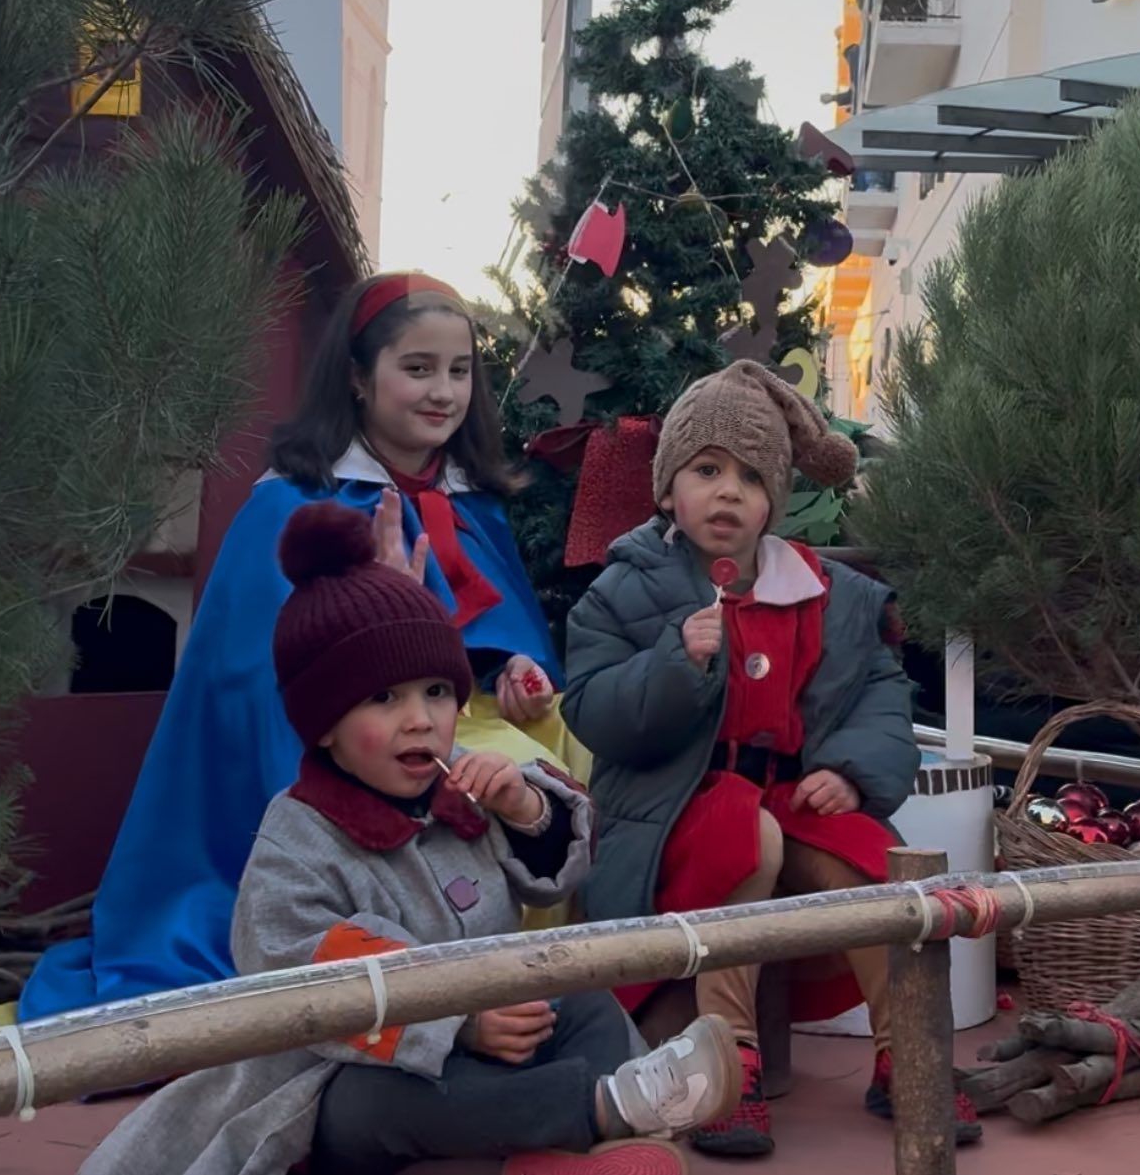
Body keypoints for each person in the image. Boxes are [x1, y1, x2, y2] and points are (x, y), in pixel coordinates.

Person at [79, 501, 741, 1175]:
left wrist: (523, 806)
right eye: (385, 699)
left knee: (582, 1004)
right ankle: (601, 1114)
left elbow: (560, 868)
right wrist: (456, 1022)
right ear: (324, 724)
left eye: (436, 691)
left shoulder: (463, 791)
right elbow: (309, 978)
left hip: (495, 1033)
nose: (420, 720)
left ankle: (568, 1153)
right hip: (351, 1068)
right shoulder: (299, 835)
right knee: (377, 1103)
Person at [24, 272, 587, 1021]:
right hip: (344, 729)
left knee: (556, 748)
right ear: (358, 377)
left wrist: (518, 669)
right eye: (417, 369)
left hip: (450, 708)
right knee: (502, 767)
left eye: (458, 371)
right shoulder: (290, 501)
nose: (443, 392)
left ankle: (518, 972)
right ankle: (430, 986)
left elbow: (495, 632)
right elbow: (260, 675)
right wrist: (380, 614)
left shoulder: (468, 499)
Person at [562, 361, 981, 1158]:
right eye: (707, 470)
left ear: (775, 500)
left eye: (752, 477)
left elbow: (881, 696)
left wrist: (852, 768)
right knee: (743, 837)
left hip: (794, 797)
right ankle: (730, 1060)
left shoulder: (826, 593)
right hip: (672, 813)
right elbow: (592, 706)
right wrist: (673, 664)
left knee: (876, 860)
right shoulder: (624, 590)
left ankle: (907, 1052)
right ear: (667, 488)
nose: (728, 492)